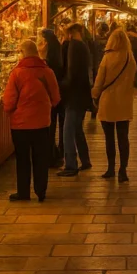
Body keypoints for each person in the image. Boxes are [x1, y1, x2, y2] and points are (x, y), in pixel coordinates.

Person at [2, 39, 60, 202]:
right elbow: (56, 97)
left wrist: (12, 111)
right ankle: (41, 191)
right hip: (42, 124)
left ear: (23, 53)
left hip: (20, 125)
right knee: (40, 158)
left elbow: (8, 101)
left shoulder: (17, 73)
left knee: (22, 159)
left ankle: (23, 192)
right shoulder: (47, 72)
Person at [93, 28, 137, 182]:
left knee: (109, 138)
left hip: (108, 101)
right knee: (123, 137)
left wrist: (94, 95)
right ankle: (123, 170)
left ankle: (111, 168)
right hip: (124, 101)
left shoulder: (107, 57)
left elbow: (99, 81)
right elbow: (133, 77)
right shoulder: (130, 57)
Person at [58, 23, 93, 176]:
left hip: (74, 95)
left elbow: (72, 73)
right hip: (83, 94)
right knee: (77, 129)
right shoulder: (83, 46)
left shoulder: (74, 46)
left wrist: (60, 85)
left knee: (68, 131)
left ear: (71, 33)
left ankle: (71, 165)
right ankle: (85, 160)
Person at [40, 28, 65, 168]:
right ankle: (54, 154)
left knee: (48, 127)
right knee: (52, 126)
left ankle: (50, 156)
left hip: (49, 98)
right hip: (56, 98)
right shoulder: (57, 54)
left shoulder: (48, 62)